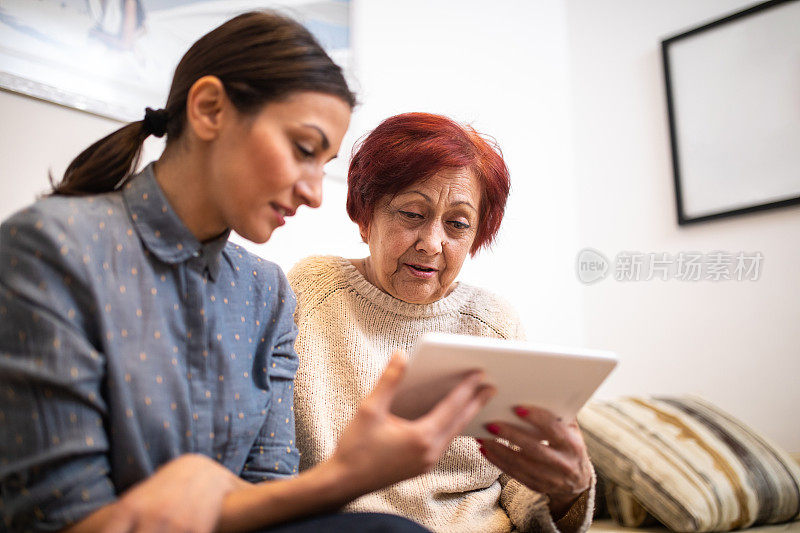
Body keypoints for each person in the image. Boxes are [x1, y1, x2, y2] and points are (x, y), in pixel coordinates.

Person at [0, 14, 494, 533]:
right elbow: (57, 519)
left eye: (322, 162)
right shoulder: (50, 249)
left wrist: (208, 486)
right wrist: (346, 476)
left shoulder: (265, 291)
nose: (314, 192)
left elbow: (269, 493)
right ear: (210, 109)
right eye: (304, 150)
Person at [289, 113, 596, 533]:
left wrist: (568, 493)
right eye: (413, 214)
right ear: (365, 217)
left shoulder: (492, 322)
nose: (432, 243)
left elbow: (519, 484)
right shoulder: (309, 295)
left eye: (457, 224)